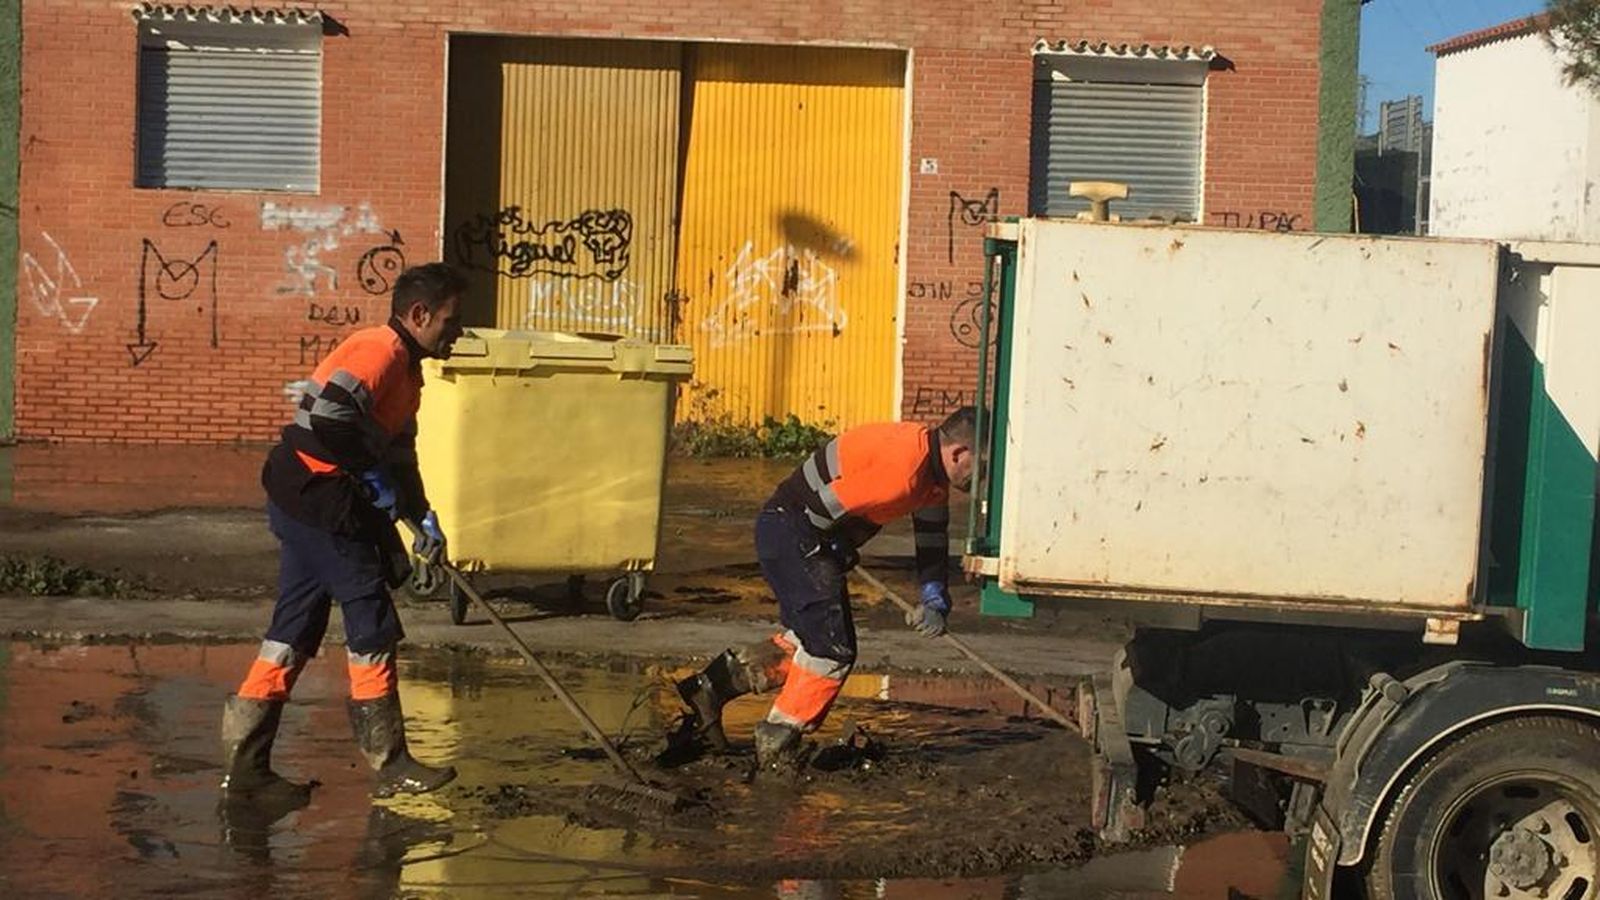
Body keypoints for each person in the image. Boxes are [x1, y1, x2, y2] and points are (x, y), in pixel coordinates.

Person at [220, 262, 467, 803]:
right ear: (419, 315)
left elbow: (400, 456)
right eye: (451, 321)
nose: (458, 332)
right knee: (369, 611)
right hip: (316, 495)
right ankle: (391, 761)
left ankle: (247, 769)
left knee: (294, 627)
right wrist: (371, 475)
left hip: (315, 497)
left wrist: (421, 516)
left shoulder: (408, 373)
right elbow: (329, 421)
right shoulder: (379, 352)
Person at [674, 406, 979, 767]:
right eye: (981, 468)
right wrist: (836, 544)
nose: (982, 480)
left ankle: (710, 689)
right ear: (958, 453)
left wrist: (934, 595)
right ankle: (777, 740)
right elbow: (819, 508)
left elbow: (931, 539)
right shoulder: (904, 472)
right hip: (792, 530)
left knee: (809, 639)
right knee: (831, 651)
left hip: (792, 530)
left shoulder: (930, 478)